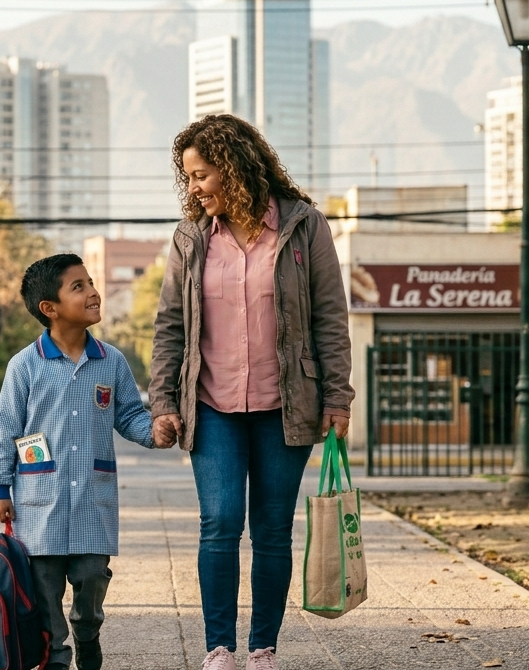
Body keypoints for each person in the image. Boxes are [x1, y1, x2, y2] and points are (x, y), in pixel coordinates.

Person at [147, 114, 355, 670]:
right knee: (218, 521)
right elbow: (171, 325)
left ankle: (262, 647)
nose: (192, 187)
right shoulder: (191, 239)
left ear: (233, 167)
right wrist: (163, 402)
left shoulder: (303, 226)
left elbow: (330, 318)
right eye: (188, 177)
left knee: (271, 529)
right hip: (212, 405)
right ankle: (220, 648)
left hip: (286, 405)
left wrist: (338, 397)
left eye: (201, 174)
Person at [0, 253, 178, 670]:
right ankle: (56, 655)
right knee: (45, 593)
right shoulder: (25, 366)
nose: (93, 291)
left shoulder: (111, 362)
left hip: (93, 504)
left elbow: (128, 415)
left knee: (92, 579)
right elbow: (6, 428)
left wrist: (155, 432)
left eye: (91, 282)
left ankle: (87, 635)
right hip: (40, 508)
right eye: (79, 286)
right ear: (49, 309)